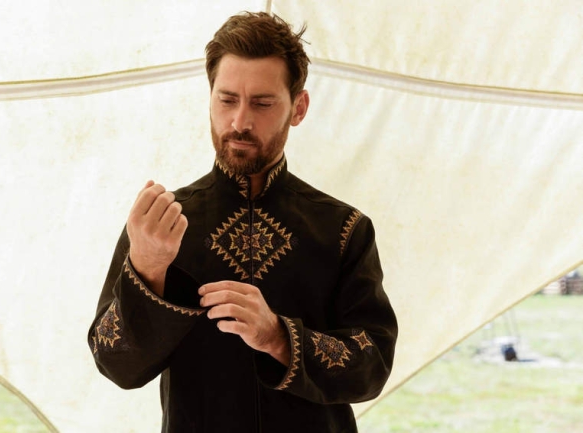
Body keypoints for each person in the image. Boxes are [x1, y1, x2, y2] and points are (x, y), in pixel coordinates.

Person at [88, 11, 397, 433]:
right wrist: (147, 270)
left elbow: (372, 364)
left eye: (262, 103)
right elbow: (114, 363)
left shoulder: (344, 229)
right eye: (227, 100)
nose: (240, 122)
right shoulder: (159, 225)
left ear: (298, 108)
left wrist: (279, 337)